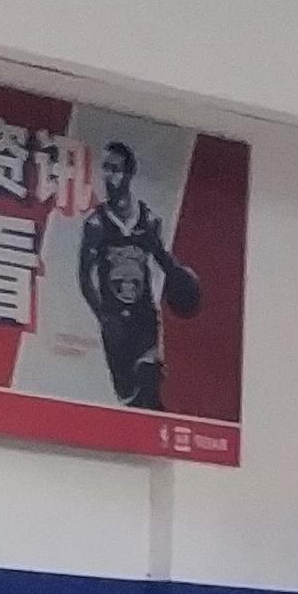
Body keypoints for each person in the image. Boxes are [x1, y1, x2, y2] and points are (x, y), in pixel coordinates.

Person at [74, 139, 201, 409]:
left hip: (145, 318)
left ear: (129, 173)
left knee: (150, 380)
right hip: (115, 322)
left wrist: (182, 279)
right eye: (106, 168)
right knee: (129, 397)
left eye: (115, 169)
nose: (109, 175)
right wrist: (103, 316)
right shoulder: (96, 224)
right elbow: (84, 277)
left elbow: (163, 259)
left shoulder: (149, 220)